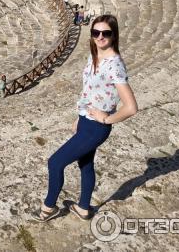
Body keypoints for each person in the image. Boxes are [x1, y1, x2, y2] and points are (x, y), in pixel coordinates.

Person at [32, 15, 138, 222]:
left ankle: (49, 207)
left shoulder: (115, 65)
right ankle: (83, 208)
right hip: (85, 121)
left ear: (114, 35)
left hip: (97, 128)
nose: (100, 37)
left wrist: (106, 119)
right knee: (86, 164)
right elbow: (89, 92)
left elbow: (131, 107)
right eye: (95, 33)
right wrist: (79, 117)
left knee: (55, 163)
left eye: (105, 33)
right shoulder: (94, 56)